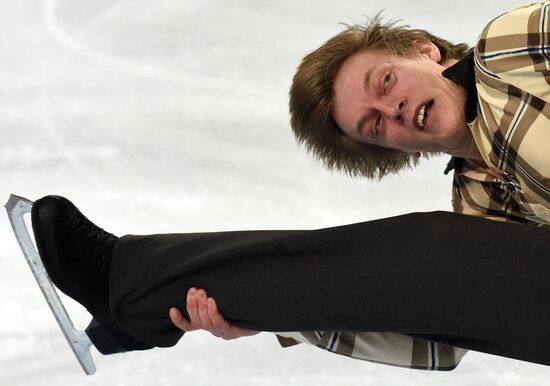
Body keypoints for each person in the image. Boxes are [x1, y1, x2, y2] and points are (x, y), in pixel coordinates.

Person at [30, 1, 550, 371]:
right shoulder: (481, 205)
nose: (390, 110)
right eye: (374, 126)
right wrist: (272, 312)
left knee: (436, 247)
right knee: (436, 256)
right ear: (390, 152)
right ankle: (138, 298)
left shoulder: (512, 46)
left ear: (425, 50)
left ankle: (128, 286)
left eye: (385, 81)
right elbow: (439, 342)